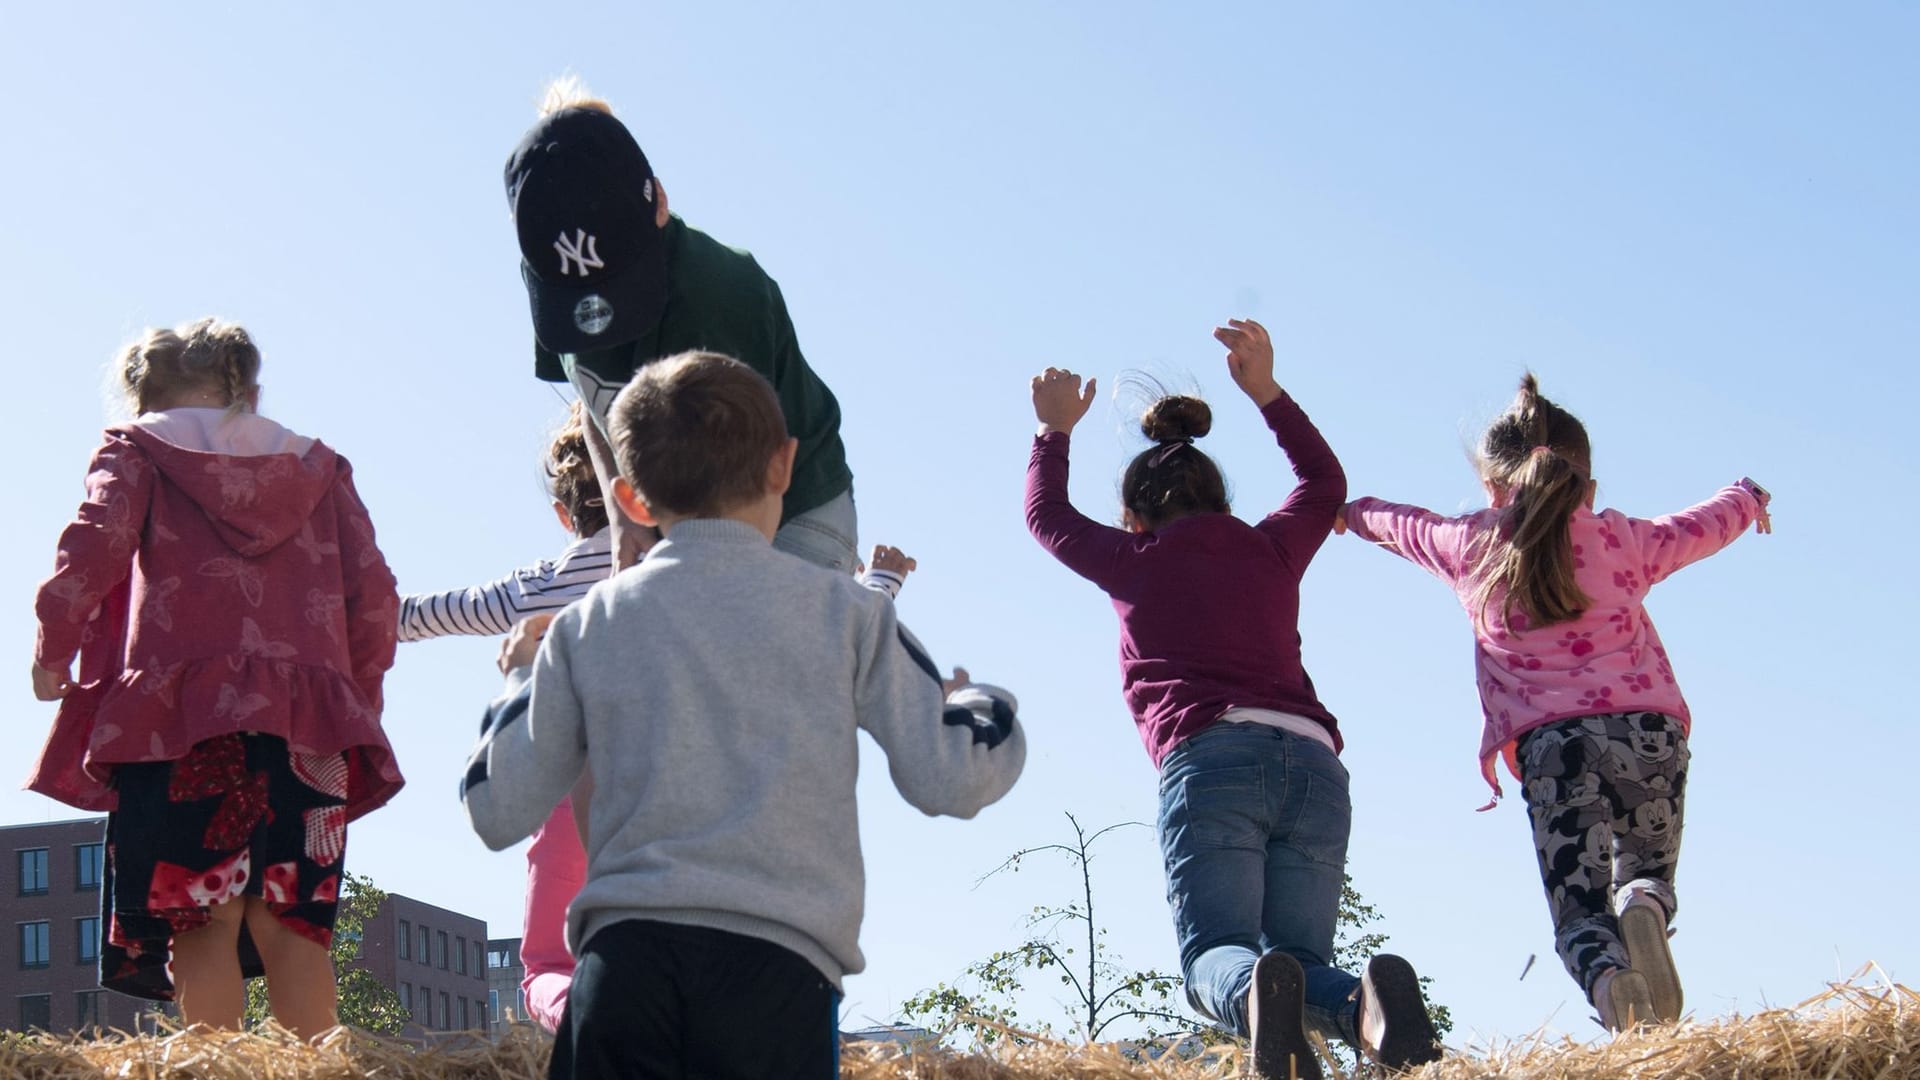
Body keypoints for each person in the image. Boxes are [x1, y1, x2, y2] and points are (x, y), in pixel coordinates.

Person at [461, 351, 1023, 1077]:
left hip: (624, 969)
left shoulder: (588, 625)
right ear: (784, 465)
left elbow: (497, 808)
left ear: (631, 499)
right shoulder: (847, 613)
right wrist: (978, 703)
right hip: (775, 973)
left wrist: (516, 682)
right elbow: (951, 778)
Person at [1024, 319, 1440, 1079]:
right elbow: (1324, 486)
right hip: (1314, 765)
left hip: (1213, 758)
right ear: (1222, 500)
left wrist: (1053, 433)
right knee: (1300, 961)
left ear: (1135, 516)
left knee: (1216, 956)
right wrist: (1267, 392)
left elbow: (1046, 519)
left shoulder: (1132, 556)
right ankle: (1362, 1006)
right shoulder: (1271, 547)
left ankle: (1253, 999)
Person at [1338, 374, 1772, 1031]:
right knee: (1646, 872)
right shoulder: (1622, 537)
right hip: (1649, 733)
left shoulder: (1470, 546)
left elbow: (1402, 525)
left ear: (1490, 488)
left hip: (1556, 749)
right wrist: (1747, 497)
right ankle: (1646, 910)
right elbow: (1701, 526)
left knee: (1581, 913)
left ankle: (1610, 986)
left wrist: (1349, 513)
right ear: (1587, 489)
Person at [27, 318, 402, 1040]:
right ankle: (316, 1063)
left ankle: (216, 1062)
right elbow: (376, 595)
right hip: (310, 721)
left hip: (182, 719)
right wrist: (354, 693)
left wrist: (54, 649)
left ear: (142, 392)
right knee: (295, 917)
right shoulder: (319, 466)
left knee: (199, 915)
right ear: (247, 391)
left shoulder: (136, 448)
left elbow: (94, 544)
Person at [503, 78, 855, 574]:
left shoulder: (721, 293)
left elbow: (739, 498)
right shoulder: (552, 275)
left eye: (616, 282)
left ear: (660, 203)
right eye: (579, 296)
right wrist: (619, 514)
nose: (599, 316)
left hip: (788, 510)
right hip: (676, 516)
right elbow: (597, 401)